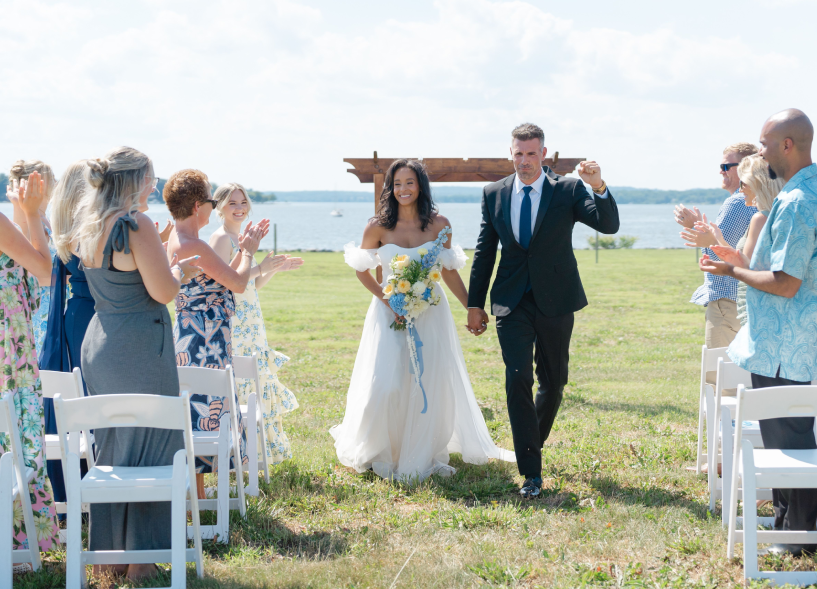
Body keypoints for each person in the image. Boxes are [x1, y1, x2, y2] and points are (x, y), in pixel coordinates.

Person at [701, 108, 817, 557]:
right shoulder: (815, 190)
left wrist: (733, 271)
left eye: (764, 144)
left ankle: (798, 537)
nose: (760, 153)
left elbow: (785, 282)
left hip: (787, 344)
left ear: (787, 145)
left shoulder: (798, 200)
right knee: (788, 437)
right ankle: (788, 525)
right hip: (791, 341)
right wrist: (741, 261)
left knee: (790, 442)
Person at [332, 159, 514, 481]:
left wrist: (472, 307)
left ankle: (422, 450)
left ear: (420, 186)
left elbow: (448, 271)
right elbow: (362, 270)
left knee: (427, 381)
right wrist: (387, 300)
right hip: (388, 313)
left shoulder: (439, 224)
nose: (403, 189)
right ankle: (381, 448)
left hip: (431, 312)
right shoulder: (377, 226)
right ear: (390, 188)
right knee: (386, 384)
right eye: (397, 184)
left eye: (409, 183)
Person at [467, 123, 621, 498]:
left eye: (531, 153)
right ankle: (531, 473)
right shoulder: (493, 193)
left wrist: (598, 186)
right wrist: (474, 303)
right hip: (511, 300)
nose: (524, 161)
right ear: (511, 153)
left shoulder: (568, 189)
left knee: (553, 382)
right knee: (517, 377)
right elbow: (485, 251)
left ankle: (530, 443)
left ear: (543, 154)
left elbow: (608, 225)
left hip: (556, 299)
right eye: (518, 153)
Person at [73, 148, 202, 582]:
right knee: (154, 446)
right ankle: (142, 560)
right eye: (151, 178)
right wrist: (178, 272)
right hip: (140, 346)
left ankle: (110, 556)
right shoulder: (136, 224)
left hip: (101, 342)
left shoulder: (89, 223)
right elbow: (163, 291)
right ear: (134, 181)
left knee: (113, 448)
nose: (155, 186)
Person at [165, 170, 263, 482]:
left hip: (189, 334)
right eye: (211, 201)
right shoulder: (196, 245)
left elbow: (217, 279)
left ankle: (198, 492)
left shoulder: (174, 239)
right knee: (208, 407)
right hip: (206, 339)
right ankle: (205, 495)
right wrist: (247, 251)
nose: (213, 206)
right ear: (198, 206)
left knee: (193, 407)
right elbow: (237, 283)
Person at [210, 183, 302, 468]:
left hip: (251, 317)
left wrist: (272, 268)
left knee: (256, 378)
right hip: (235, 320)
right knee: (242, 380)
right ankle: (240, 456)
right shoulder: (221, 239)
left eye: (243, 202)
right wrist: (260, 267)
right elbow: (226, 282)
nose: (239, 208)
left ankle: (259, 455)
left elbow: (253, 284)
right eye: (232, 203)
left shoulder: (240, 238)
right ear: (219, 207)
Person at [0, 171, 58, 561]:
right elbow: (46, 273)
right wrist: (33, 214)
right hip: (7, 347)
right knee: (13, 435)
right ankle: (15, 542)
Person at [42, 160, 96, 510]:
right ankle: (90, 482)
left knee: (80, 394)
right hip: (93, 315)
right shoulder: (88, 228)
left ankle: (79, 484)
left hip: (76, 314)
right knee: (87, 395)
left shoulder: (65, 227)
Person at [676, 143, 758, 350]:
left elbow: (718, 255)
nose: (721, 171)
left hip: (727, 302)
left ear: (745, 168)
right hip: (748, 301)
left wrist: (695, 228)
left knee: (718, 368)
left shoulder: (737, 203)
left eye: (726, 166)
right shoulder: (760, 202)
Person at [704, 154, 785, 329]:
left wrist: (722, 266)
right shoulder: (778, 215)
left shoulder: (760, 218)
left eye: (743, 183)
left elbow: (745, 267)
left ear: (759, 184)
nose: (740, 190)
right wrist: (719, 239)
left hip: (754, 303)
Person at [8, 160, 56, 348]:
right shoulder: (33, 219)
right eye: (50, 177)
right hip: (43, 304)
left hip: (52, 299)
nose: (55, 181)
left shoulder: (42, 217)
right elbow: (30, 272)